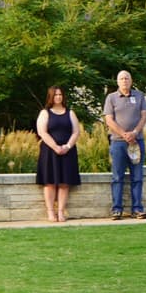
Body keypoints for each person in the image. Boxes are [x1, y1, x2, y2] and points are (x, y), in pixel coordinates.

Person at [103, 70, 146, 220]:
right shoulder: (111, 98)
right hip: (118, 143)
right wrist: (124, 134)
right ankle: (116, 209)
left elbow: (144, 116)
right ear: (117, 82)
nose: (124, 81)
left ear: (131, 80)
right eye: (121, 79)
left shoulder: (139, 96)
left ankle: (137, 209)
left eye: (127, 78)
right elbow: (109, 120)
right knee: (117, 177)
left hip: (137, 142)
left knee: (137, 177)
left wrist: (134, 133)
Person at [36, 86, 81, 222]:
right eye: (56, 95)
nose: (58, 97)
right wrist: (55, 147)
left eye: (60, 94)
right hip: (50, 151)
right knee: (49, 182)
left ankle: (61, 212)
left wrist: (67, 146)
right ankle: (50, 212)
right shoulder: (45, 113)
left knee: (64, 183)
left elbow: (76, 132)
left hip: (68, 151)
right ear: (51, 97)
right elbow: (42, 132)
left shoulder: (70, 113)